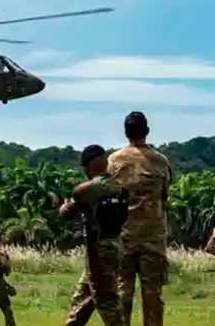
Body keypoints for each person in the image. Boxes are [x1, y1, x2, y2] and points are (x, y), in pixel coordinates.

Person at [108, 111, 172, 326]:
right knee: (153, 296)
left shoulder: (113, 161)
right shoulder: (161, 161)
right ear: (147, 131)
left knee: (122, 293)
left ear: (126, 132)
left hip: (122, 237)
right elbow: (164, 196)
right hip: (153, 239)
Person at [60, 144, 129, 326]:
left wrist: (64, 205)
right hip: (116, 245)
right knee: (82, 298)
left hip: (98, 251)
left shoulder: (86, 190)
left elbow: (67, 213)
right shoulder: (120, 187)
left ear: (88, 166)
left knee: (107, 302)